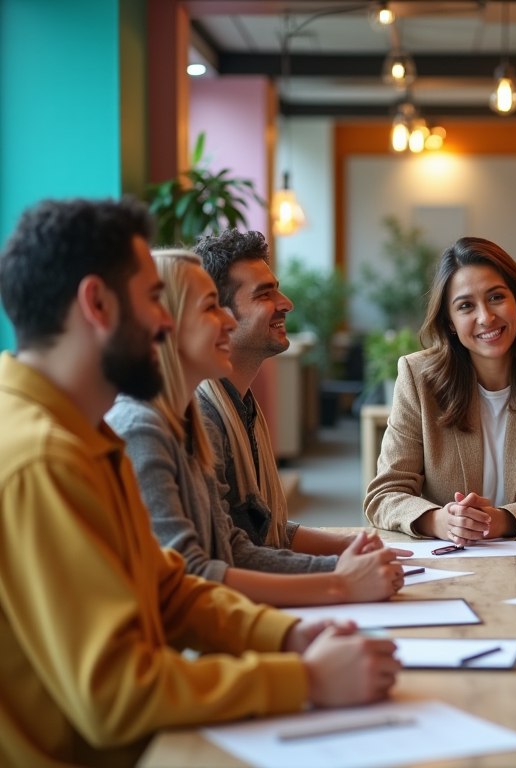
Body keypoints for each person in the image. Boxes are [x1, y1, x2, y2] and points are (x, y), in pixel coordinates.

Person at [0, 199, 398, 768]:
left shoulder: (84, 433)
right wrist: (301, 678)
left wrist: (287, 639)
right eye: (154, 299)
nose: (165, 322)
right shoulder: (43, 458)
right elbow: (116, 696)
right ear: (97, 304)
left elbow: (171, 588)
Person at [106, 250, 407, 607]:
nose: (227, 323)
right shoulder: (150, 426)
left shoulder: (187, 419)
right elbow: (195, 575)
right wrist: (338, 580)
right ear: (163, 321)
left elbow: (233, 540)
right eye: (210, 308)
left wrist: (343, 561)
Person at [364, 237, 516, 542]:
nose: (486, 317)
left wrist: (506, 520)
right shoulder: (418, 377)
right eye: (466, 306)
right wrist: (439, 521)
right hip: (452, 560)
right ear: (451, 322)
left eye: (496, 297)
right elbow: (385, 494)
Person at [193, 230, 353, 556]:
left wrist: (352, 545)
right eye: (264, 295)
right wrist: (338, 574)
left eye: (277, 289)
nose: (286, 303)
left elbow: (264, 530)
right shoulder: (202, 419)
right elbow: (227, 557)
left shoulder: (242, 406)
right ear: (217, 314)